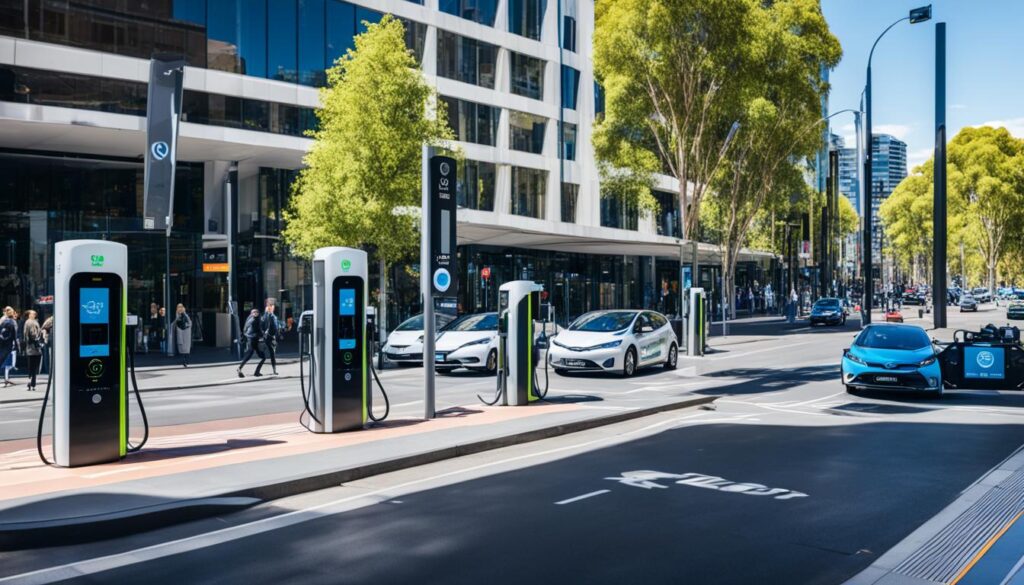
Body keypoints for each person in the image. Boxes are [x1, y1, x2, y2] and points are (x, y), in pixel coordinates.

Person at [255, 299, 279, 377]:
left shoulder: (263, 316)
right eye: (272, 306)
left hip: (265, 337)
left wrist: (262, 334)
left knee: (264, 355)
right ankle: (274, 370)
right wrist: (276, 334)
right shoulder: (273, 316)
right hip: (271, 337)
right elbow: (275, 327)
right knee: (272, 354)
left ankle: (257, 371)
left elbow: (260, 326)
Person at [237, 308, 263, 378]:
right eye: (254, 312)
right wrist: (263, 335)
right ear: (251, 313)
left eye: (257, 312)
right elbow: (258, 331)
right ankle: (240, 368)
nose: (256, 313)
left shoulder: (250, 319)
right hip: (253, 339)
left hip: (252, 339)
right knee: (251, 355)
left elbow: (245, 329)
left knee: (260, 356)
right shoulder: (254, 320)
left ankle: (256, 372)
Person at [21, 310, 43, 390]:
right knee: (33, 366)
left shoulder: (34, 322)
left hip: (34, 347)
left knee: (33, 366)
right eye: (32, 313)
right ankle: (32, 382)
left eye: (34, 313)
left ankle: (32, 382)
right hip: (32, 347)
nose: (34, 314)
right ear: (29, 315)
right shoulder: (29, 322)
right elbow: (28, 334)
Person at [1, 307, 18, 387]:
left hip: (6, 344)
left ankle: (6, 379)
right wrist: (16, 345)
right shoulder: (8, 321)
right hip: (8, 344)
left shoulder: (5, 320)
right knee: (7, 361)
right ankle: (6, 379)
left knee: (7, 361)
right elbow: (14, 335)